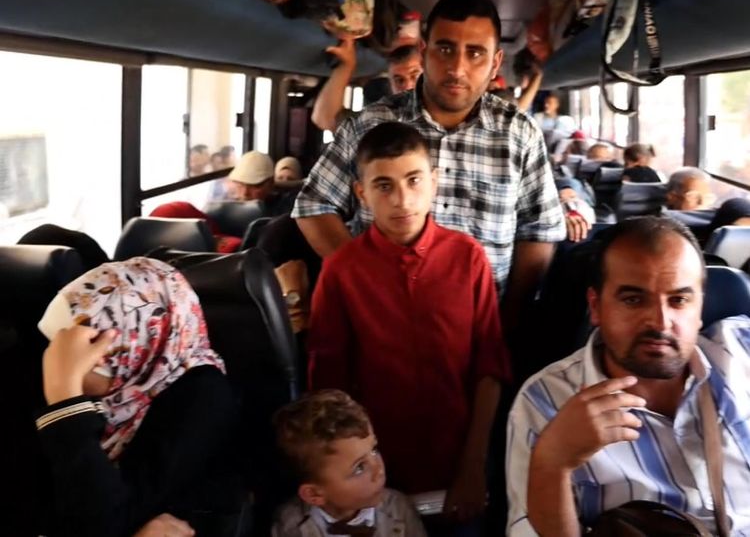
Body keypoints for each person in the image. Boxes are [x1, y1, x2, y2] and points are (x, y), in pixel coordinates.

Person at [294, 0, 565, 331]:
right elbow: (313, 206)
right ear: (424, 51)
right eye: (446, 49)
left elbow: (538, 231)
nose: (457, 68)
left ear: (496, 62)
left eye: (476, 53)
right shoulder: (371, 124)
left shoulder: (519, 133)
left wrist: (507, 323)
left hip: (480, 328)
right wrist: (364, 279)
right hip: (380, 324)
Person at [307, 122, 511, 533]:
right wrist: (354, 474)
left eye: (414, 181)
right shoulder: (341, 270)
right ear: (361, 194)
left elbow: (489, 370)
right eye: (383, 185)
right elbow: (330, 386)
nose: (402, 200)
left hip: (460, 458)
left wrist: (474, 466)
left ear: (434, 182)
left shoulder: (468, 257)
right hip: (377, 470)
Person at [506, 216, 750, 535]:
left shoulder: (741, 351)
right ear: (596, 307)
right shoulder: (545, 404)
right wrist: (552, 465)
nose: (660, 322)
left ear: (700, 306)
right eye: (634, 300)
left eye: (679, 300)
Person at [34, 257, 242, 537]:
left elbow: (101, 525)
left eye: (79, 352)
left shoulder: (201, 398)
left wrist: (65, 399)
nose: (56, 360)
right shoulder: (119, 389)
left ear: (136, 346)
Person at [272, 389, 427, 537]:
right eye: (359, 468)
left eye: (374, 450)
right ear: (314, 494)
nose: (378, 470)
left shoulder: (398, 508)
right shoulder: (290, 526)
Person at [311, 40, 424, 132]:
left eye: (415, 76)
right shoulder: (383, 123)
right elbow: (326, 119)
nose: (408, 87)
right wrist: (346, 66)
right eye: (399, 80)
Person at [228, 150, 296, 216]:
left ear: (270, 183)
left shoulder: (286, 208)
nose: (245, 193)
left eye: (255, 186)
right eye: (240, 184)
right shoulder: (228, 209)